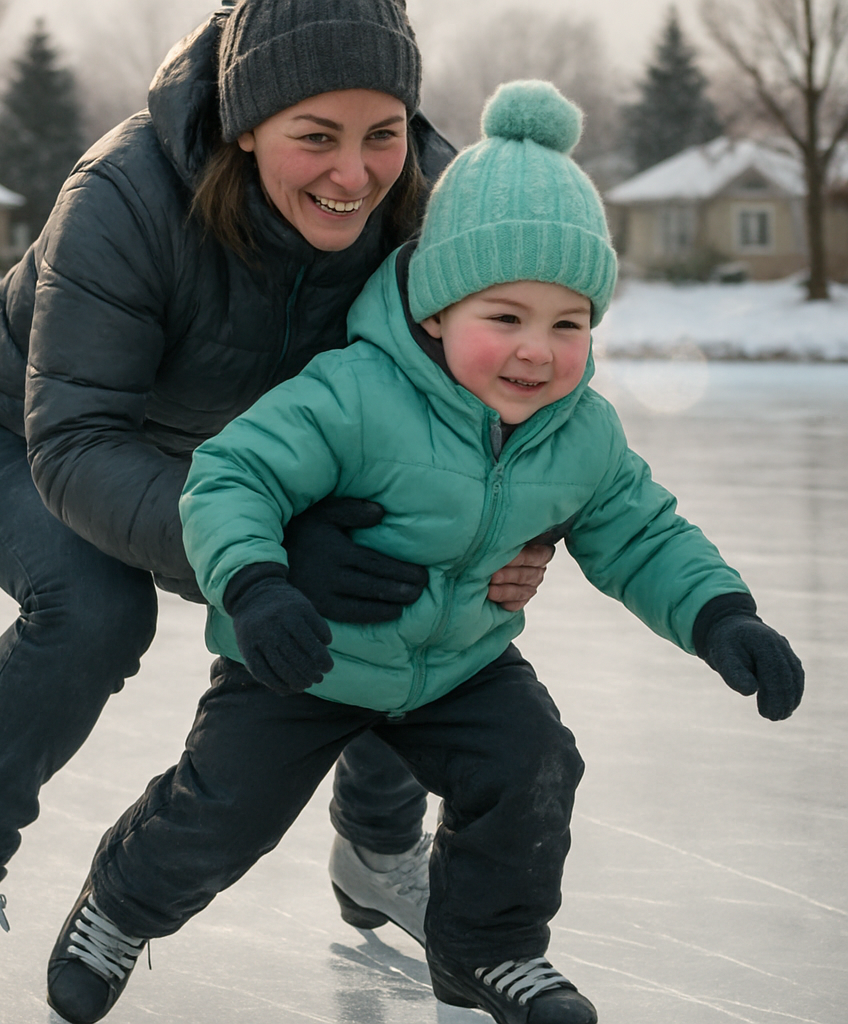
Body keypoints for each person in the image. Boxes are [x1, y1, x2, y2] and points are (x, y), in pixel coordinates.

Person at [43, 80, 804, 1024]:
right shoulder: (355, 392)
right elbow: (234, 475)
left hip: (457, 664)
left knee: (533, 765)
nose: (537, 352)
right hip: (307, 656)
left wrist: (722, 616)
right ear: (439, 310)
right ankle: (120, 907)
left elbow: (642, 532)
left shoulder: (582, 432)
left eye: (568, 323)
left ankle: (489, 951)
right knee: (223, 813)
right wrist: (258, 586)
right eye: (506, 318)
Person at [0, 0, 554, 1011]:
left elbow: (502, 382)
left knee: (398, 548)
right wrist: (261, 551)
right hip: (22, 436)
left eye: (383, 133)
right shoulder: (124, 196)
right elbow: (77, 442)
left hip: (245, 460)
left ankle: (378, 848)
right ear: (245, 124)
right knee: (95, 609)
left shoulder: (431, 203)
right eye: (314, 137)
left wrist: (521, 526)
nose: (354, 174)